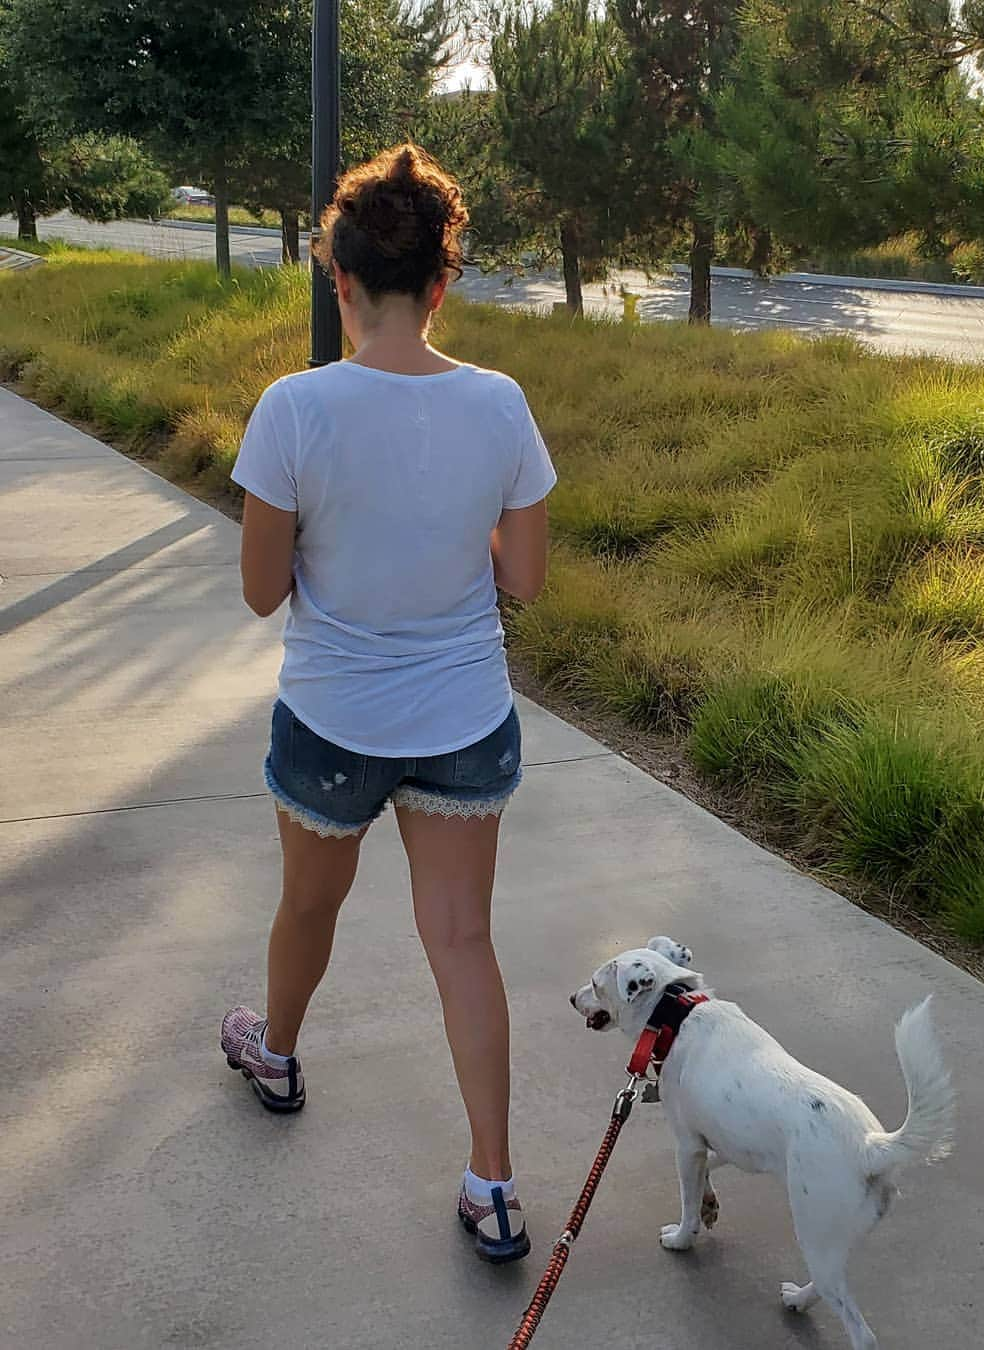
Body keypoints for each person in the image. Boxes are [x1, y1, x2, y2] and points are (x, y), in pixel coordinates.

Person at [219, 144, 555, 1265]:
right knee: (463, 942)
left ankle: (275, 1053)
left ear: (341, 281)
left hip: (331, 722)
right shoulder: (500, 405)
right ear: (443, 284)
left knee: (308, 910)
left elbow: (264, 593)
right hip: (464, 719)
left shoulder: (293, 409)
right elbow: (524, 579)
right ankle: (494, 1186)